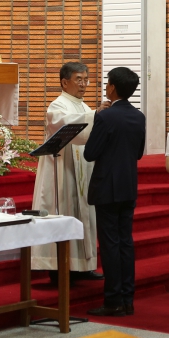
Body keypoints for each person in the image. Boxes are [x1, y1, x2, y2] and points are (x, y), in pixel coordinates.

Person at [31, 61, 108, 279]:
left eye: (86, 80)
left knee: (83, 214)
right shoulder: (57, 106)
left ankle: (83, 265)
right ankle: (59, 267)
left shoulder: (83, 106)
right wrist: (95, 115)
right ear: (65, 83)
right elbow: (65, 124)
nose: (83, 84)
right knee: (64, 211)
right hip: (62, 171)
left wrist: (95, 115)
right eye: (78, 80)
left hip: (83, 169)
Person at [84, 67, 147, 317]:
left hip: (106, 187)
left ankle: (113, 301)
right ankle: (127, 299)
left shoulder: (106, 116)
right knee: (125, 242)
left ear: (112, 87)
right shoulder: (138, 116)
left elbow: (90, 153)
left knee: (110, 244)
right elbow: (139, 153)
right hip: (128, 185)